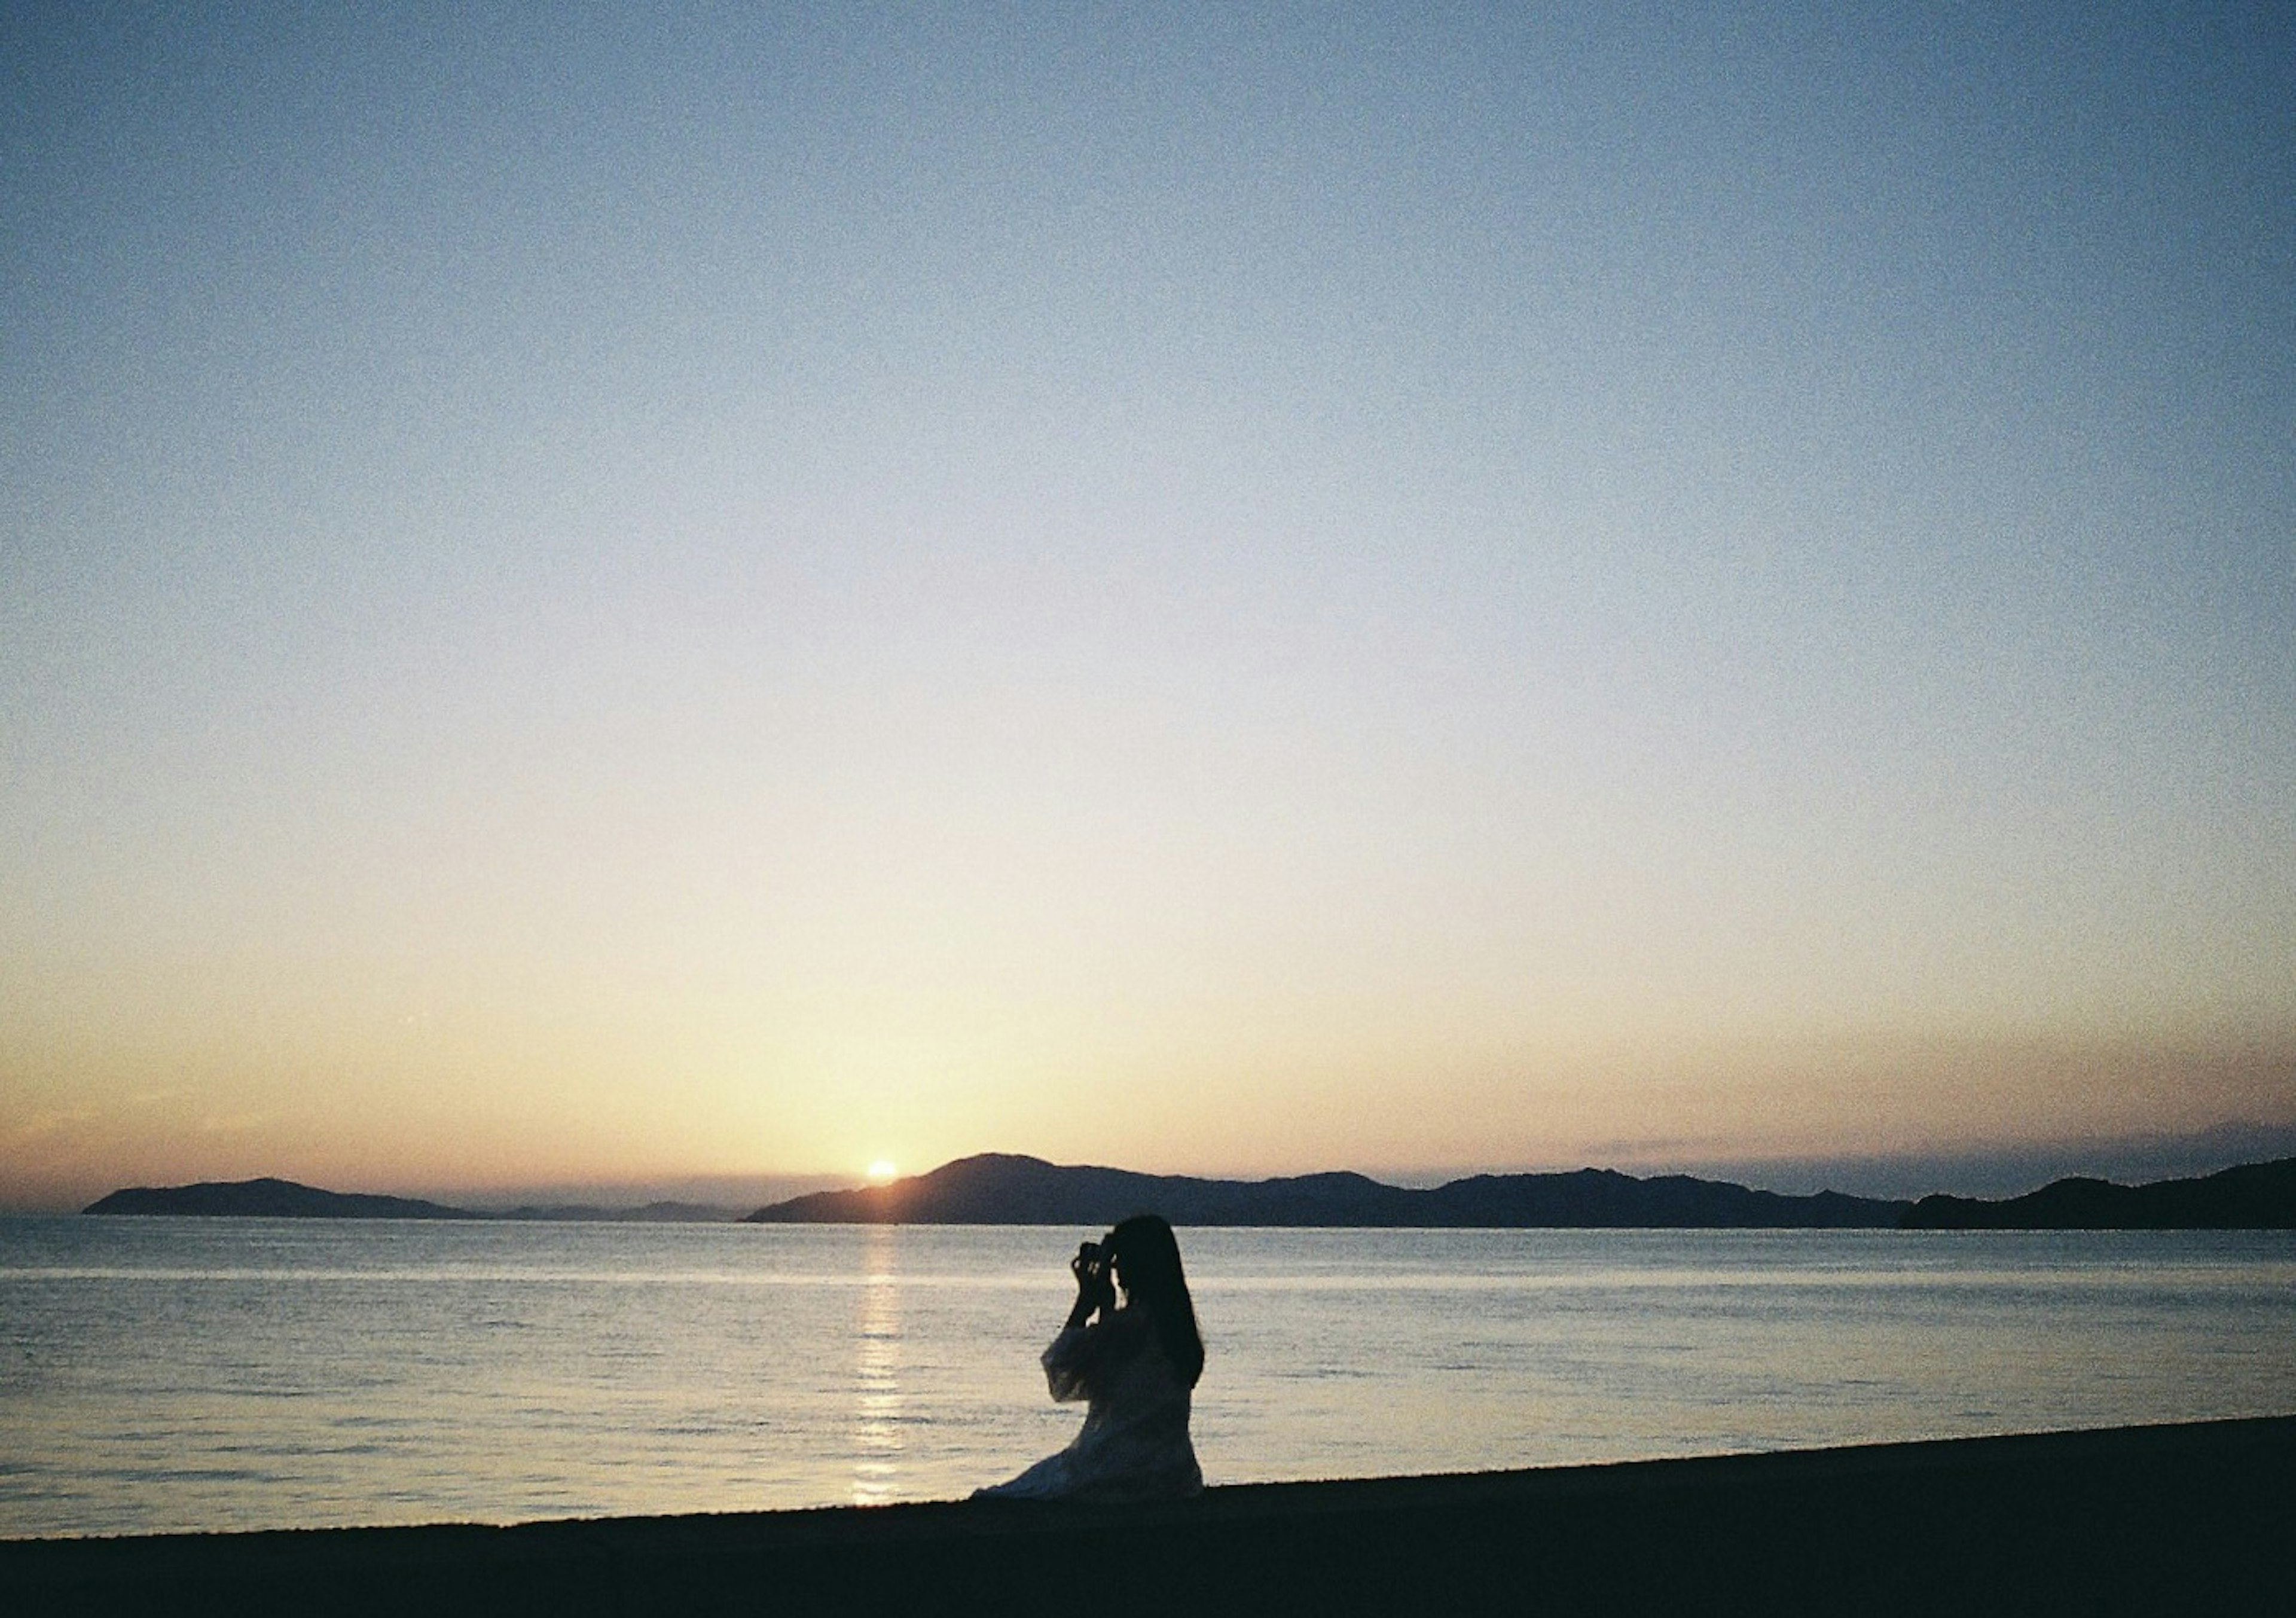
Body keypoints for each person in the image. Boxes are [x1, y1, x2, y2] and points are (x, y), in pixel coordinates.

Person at [974, 1214, 1205, 1501]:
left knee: (992, 1499)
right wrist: (1106, 1307)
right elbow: (1109, 1376)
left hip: (1116, 1470)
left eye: (1120, 1257)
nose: (1117, 1265)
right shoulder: (1178, 1329)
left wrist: (1085, 1302)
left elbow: (1062, 1373)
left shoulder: (1130, 1325)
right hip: (1172, 1471)